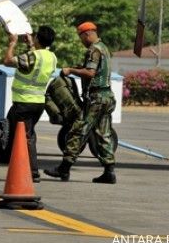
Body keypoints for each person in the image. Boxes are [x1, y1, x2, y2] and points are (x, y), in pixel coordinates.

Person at [44, 21, 117, 184]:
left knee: (78, 130)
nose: (81, 41)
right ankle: (109, 171)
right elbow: (94, 71)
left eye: (81, 37)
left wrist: (70, 70)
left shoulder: (94, 50)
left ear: (87, 34)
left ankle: (64, 168)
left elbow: (90, 73)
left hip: (96, 98)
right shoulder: (104, 48)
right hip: (107, 97)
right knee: (104, 134)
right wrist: (78, 68)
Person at [1, 26, 57, 183]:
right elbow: (35, 60)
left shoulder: (33, 56)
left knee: (26, 137)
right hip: (38, 102)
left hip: (24, 103)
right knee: (19, 130)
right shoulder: (51, 57)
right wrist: (31, 45)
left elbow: (7, 61)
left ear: (38, 38)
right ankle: (10, 160)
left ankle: (33, 172)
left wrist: (12, 43)